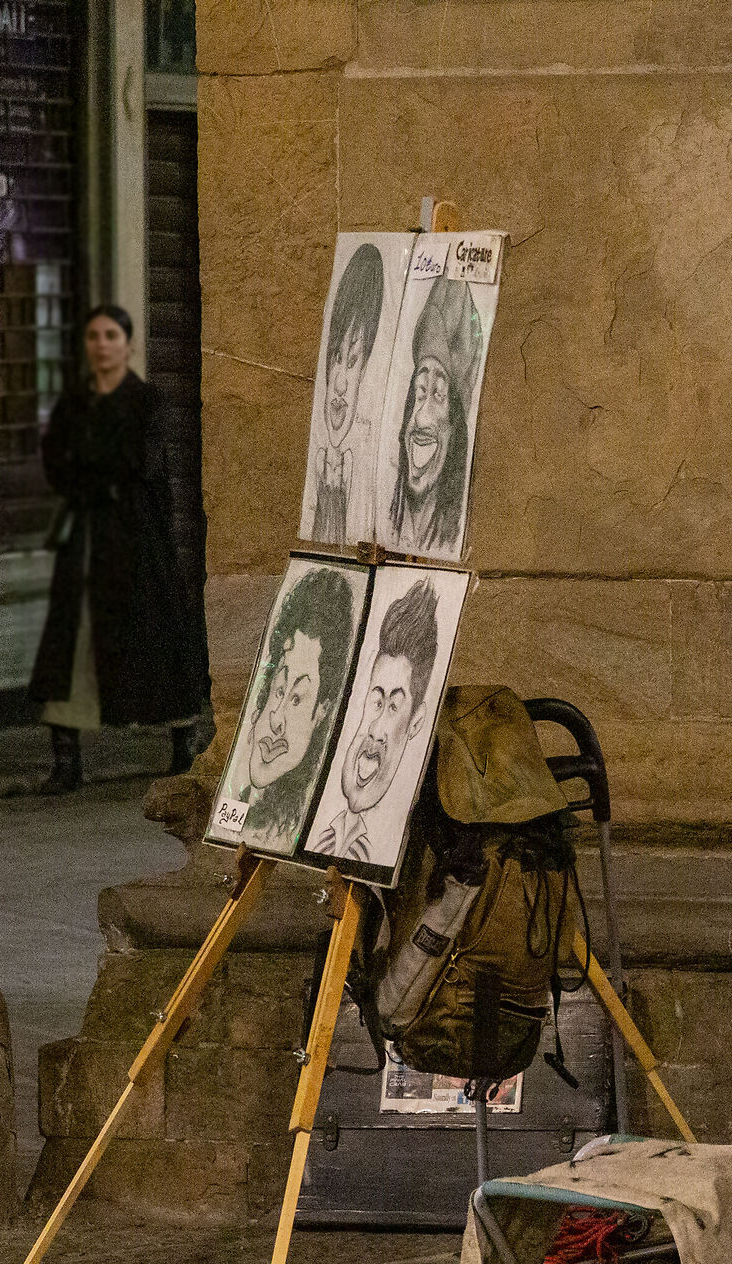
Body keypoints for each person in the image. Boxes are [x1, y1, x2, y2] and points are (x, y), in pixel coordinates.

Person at [29, 306, 212, 792]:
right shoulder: (75, 405)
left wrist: (97, 463)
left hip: (139, 541)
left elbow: (145, 464)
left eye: (111, 335)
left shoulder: (148, 402)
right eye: (94, 336)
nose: (102, 345)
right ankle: (67, 761)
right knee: (74, 643)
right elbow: (58, 465)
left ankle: (181, 742)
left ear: (127, 346)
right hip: (88, 541)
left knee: (156, 640)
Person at [226, 563, 359, 848]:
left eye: (297, 699)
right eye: (279, 690)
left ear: (322, 711)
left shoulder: (307, 816)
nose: (276, 719)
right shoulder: (237, 792)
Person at [310, 581, 440, 862]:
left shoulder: (380, 847)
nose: (375, 730)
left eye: (394, 707)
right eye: (377, 701)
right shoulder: (319, 831)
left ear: (415, 722)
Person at [388, 278, 482, 558]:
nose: (420, 417)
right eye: (419, 393)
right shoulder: (393, 522)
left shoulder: (450, 535)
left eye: (439, 394)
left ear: (456, 429)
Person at [310, 243, 388, 543]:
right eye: (338, 358)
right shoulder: (320, 460)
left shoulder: (357, 469)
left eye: (353, 362)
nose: (340, 384)